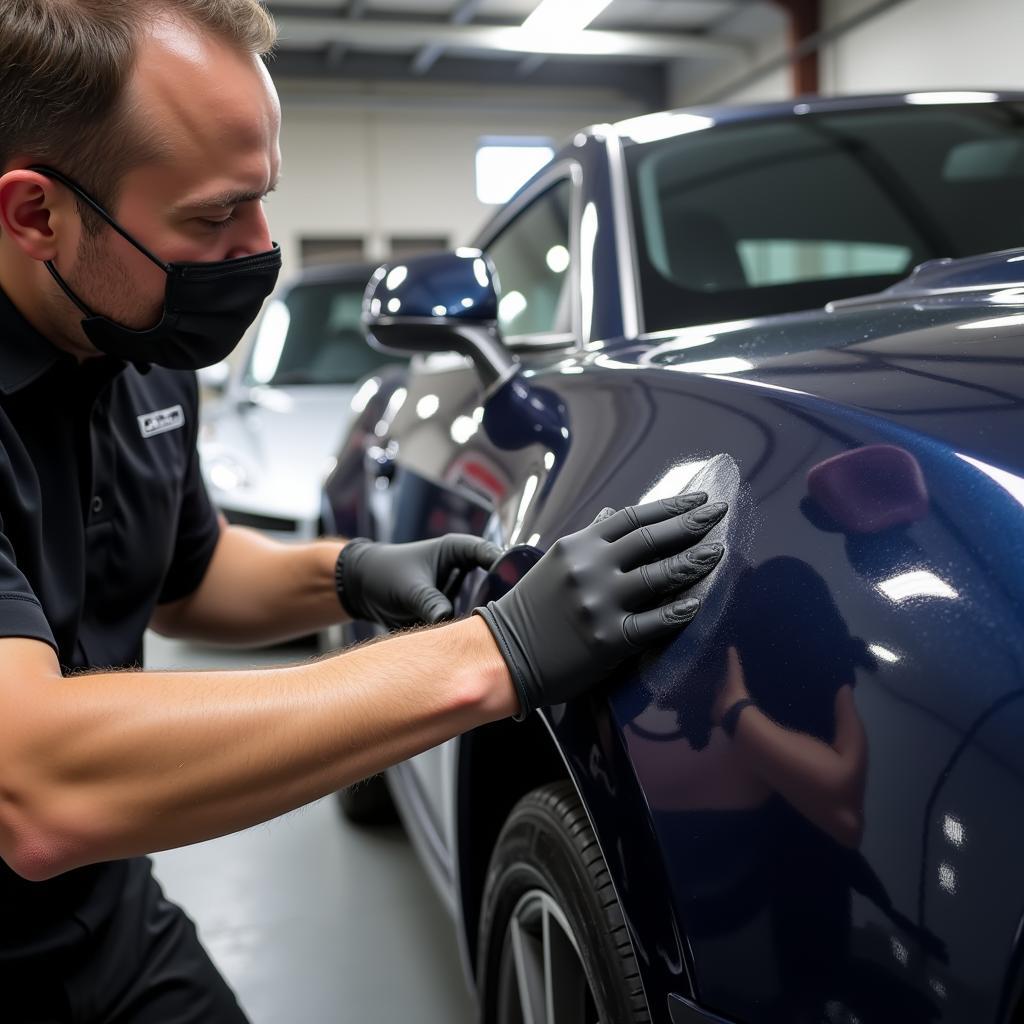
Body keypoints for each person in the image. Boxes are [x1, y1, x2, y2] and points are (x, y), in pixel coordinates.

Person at [0, 3, 729, 1019]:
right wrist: (495, 655)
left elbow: (188, 579)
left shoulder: (133, 347)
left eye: (263, 201)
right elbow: (32, 782)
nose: (261, 249)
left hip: (109, 914)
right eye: (213, 219)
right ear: (36, 214)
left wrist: (349, 572)